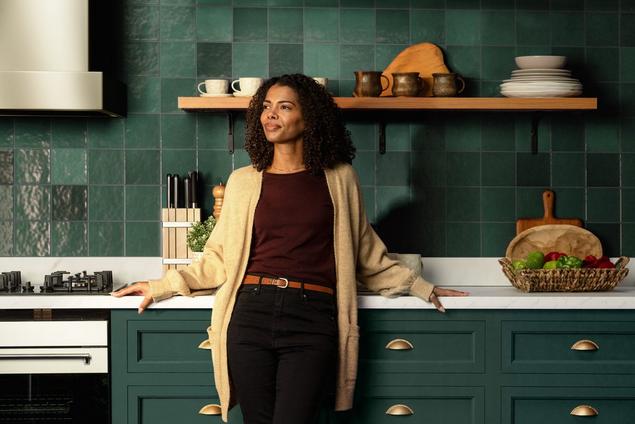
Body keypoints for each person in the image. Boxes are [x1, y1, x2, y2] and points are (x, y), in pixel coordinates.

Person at [112, 73, 468, 424]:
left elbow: (366, 255)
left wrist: (422, 287)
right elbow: (218, 259)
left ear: (308, 117)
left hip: (312, 317)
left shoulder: (339, 178)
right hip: (250, 313)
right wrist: (161, 286)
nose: (271, 115)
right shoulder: (243, 181)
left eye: (284, 107)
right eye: (266, 107)